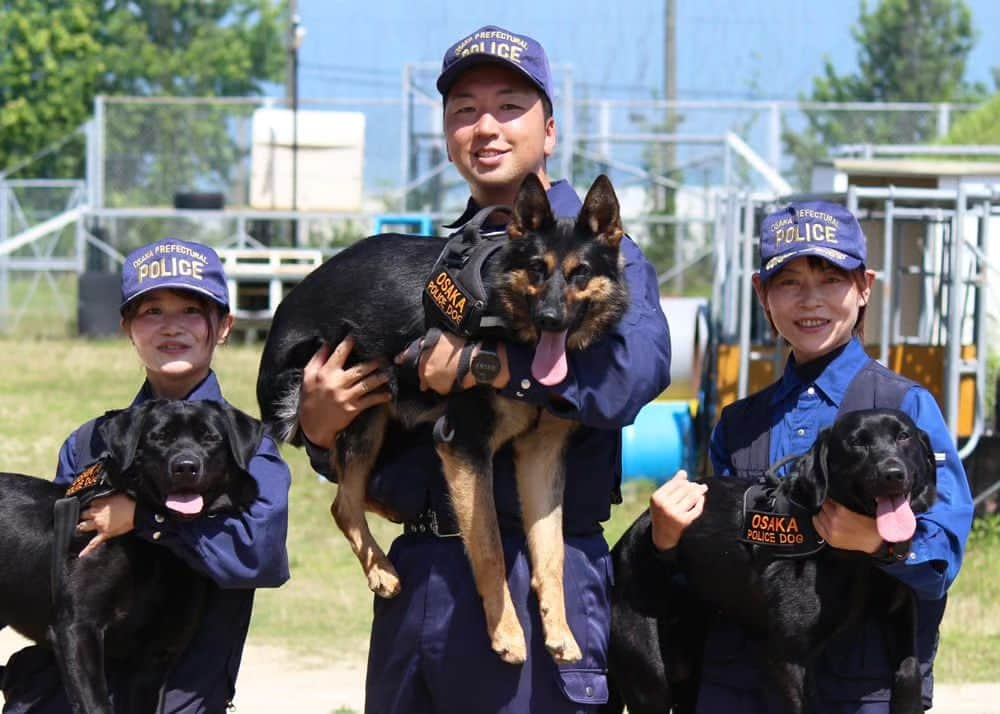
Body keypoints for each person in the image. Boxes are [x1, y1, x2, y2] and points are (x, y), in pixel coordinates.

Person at [297, 24, 672, 714]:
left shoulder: (600, 253)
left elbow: (630, 378)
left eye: (508, 106)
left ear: (549, 130)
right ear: (447, 133)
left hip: (539, 582)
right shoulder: (436, 266)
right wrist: (320, 430)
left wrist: (486, 366)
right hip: (420, 582)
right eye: (465, 111)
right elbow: (389, 416)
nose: (485, 127)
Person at [649, 202, 974, 712]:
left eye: (830, 280)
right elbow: (722, 556)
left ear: (865, 286)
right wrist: (667, 540)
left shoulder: (903, 409)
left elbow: (944, 553)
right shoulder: (739, 424)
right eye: (789, 283)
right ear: (762, 294)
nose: (810, 301)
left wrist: (877, 543)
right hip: (742, 687)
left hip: (863, 691)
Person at [0, 238, 291, 714]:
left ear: (223, 327)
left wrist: (145, 519)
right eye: (151, 311)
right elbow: (56, 580)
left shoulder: (245, 446)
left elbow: (258, 557)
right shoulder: (90, 442)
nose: (171, 327)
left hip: (179, 694)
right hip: (74, 694)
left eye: (191, 311)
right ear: (128, 329)